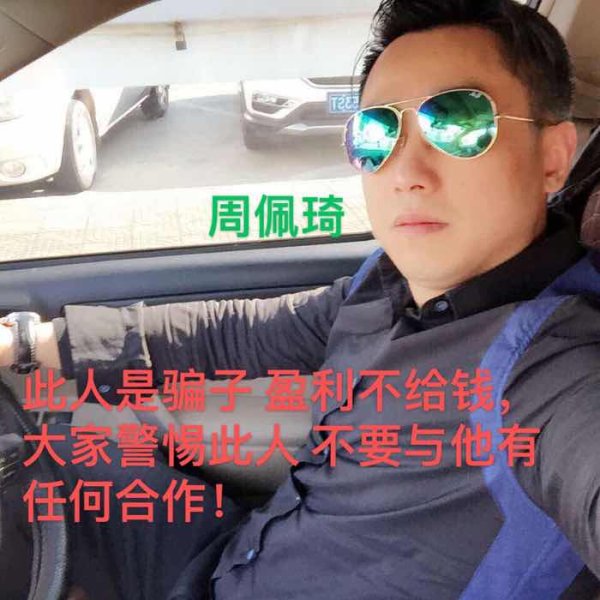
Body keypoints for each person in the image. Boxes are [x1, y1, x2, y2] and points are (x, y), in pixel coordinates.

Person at [2, 0, 600, 598]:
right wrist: (27, 344)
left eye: (459, 124)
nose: (405, 171)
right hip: (234, 555)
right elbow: (236, 333)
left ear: (553, 158)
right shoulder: (384, 285)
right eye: (377, 134)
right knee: (46, 459)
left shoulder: (553, 371)